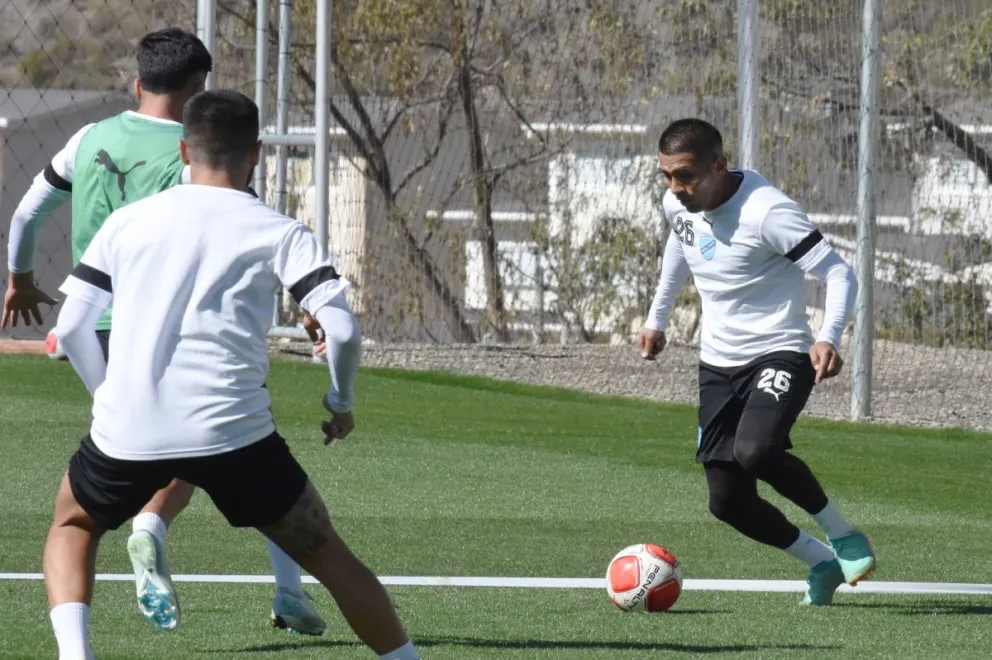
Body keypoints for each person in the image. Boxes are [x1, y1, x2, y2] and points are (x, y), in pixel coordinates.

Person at [43, 88, 420, 660]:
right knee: (326, 552)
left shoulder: (128, 222)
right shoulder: (278, 230)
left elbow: (72, 330)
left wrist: (110, 399)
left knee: (73, 525)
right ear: (258, 153)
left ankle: (76, 656)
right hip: (234, 434)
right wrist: (340, 401)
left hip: (129, 431)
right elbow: (340, 330)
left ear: (182, 150)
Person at [3, 28, 324, 634]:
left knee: (171, 451)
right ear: (199, 89)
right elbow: (236, 235)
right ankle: (170, 536)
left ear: (136, 82)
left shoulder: (88, 137)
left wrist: (19, 278)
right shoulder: (197, 153)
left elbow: (26, 213)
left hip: (89, 326)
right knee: (231, 447)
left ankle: (285, 591)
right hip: (166, 326)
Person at [638, 118, 876, 607]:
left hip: (781, 350)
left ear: (719, 165)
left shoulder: (768, 212)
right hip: (718, 363)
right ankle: (821, 563)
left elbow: (838, 274)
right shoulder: (676, 203)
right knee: (727, 502)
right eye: (666, 175)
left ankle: (844, 537)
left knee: (756, 449)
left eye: (684, 175)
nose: (674, 187)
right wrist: (655, 318)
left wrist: (829, 336)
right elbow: (681, 245)